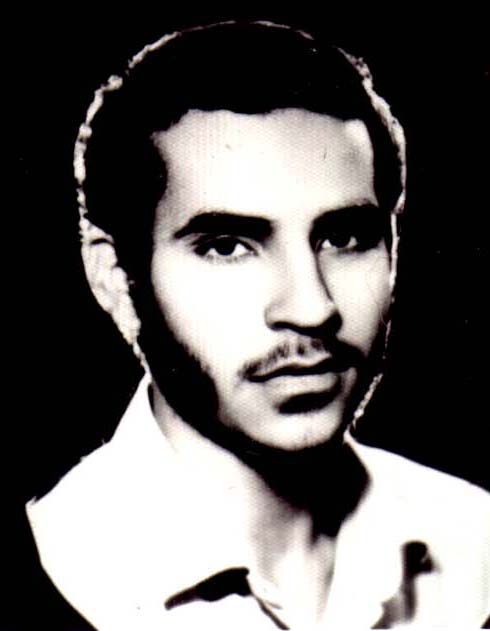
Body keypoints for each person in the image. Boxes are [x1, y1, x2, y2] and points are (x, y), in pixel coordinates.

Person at [26, 21, 490, 629]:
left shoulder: (475, 540)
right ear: (115, 278)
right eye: (227, 246)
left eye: (345, 237)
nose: (312, 307)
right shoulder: (54, 562)